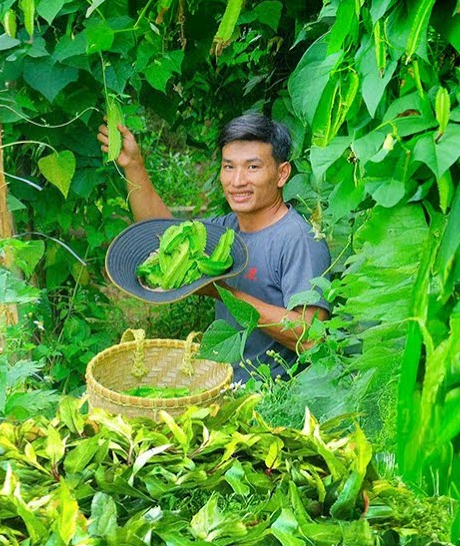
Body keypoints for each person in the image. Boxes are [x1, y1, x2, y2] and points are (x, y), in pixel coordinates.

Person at [99, 113, 331, 384]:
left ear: (282, 174)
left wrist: (223, 291)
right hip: (223, 386)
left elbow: (312, 337)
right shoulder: (227, 230)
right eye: (228, 167)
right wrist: (133, 165)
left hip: (274, 395)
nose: (237, 180)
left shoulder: (298, 239)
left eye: (252, 167)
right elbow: (166, 238)